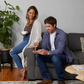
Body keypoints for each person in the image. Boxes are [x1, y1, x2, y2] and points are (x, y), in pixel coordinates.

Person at [33, 16, 73, 84]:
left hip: (62, 56)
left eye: (49, 26)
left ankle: (61, 81)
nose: (47, 28)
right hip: (51, 55)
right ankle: (47, 78)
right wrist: (40, 51)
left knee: (55, 57)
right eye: (46, 26)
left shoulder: (61, 34)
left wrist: (47, 53)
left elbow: (60, 50)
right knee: (38, 56)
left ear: (54, 25)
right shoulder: (46, 34)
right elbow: (44, 47)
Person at [9, 6, 42, 80]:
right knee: (12, 52)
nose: (31, 15)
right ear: (27, 12)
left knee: (12, 52)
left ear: (35, 14)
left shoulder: (37, 22)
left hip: (29, 41)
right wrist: (23, 34)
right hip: (25, 39)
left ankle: (22, 69)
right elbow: (27, 33)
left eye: (33, 13)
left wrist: (36, 41)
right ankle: (23, 68)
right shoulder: (26, 22)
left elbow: (38, 34)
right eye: (30, 13)